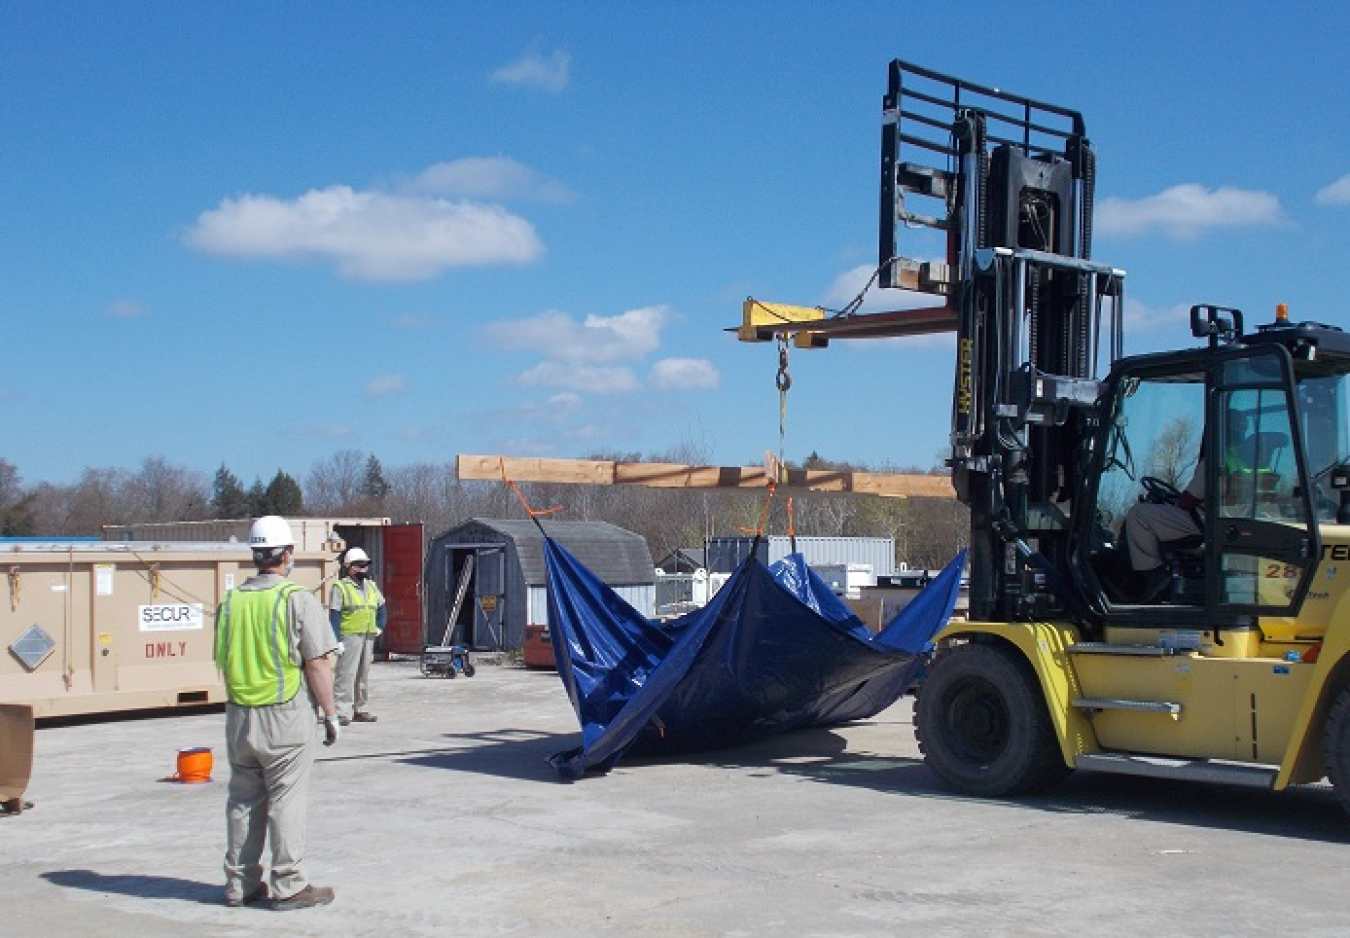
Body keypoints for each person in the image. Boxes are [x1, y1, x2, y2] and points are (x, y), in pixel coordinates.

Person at [214, 516, 341, 912]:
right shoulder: (295, 598)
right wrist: (331, 714)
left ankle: (240, 883)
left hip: (239, 716)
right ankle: (288, 884)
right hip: (283, 714)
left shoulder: (231, 602)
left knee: (244, 800)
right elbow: (318, 664)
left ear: (255, 554)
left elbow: (220, 658)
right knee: (286, 799)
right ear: (287, 554)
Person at [1122, 462, 1203, 601]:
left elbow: (1189, 499)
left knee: (1138, 514)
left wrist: (1173, 500)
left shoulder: (1213, 458)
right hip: (1207, 519)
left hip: (1200, 520)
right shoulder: (1234, 455)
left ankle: (1154, 576)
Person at [329, 546, 386, 726]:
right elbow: (335, 615)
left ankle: (359, 709)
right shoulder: (340, 588)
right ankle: (342, 711)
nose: (364, 569)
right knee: (346, 674)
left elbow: (382, 607)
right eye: (361, 566)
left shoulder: (371, 586)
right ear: (350, 567)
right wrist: (337, 640)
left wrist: (380, 626)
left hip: (368, 635)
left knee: (362, 673)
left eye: (366, 566)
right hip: (350, 636)